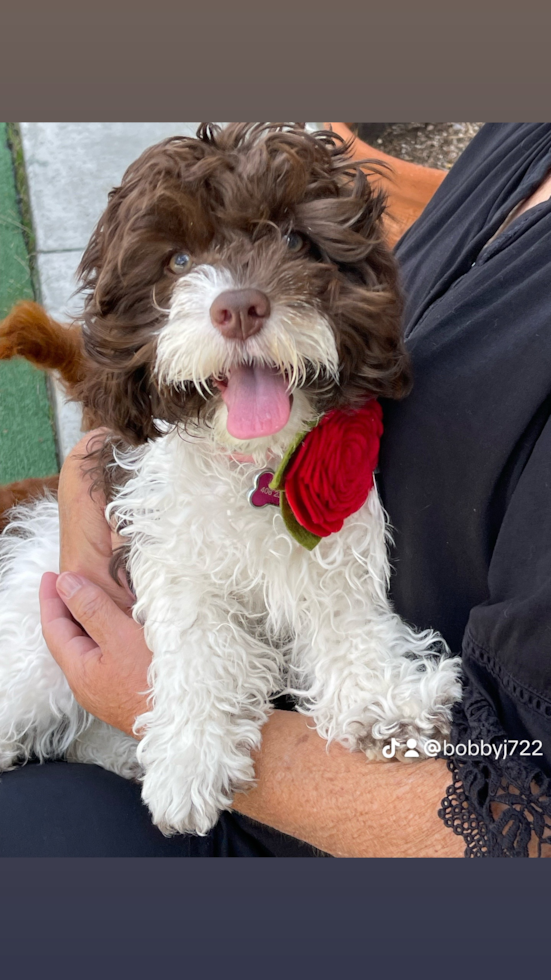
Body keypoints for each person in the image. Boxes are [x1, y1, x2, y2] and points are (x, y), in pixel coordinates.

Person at [2, 122, 551, 857]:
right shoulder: (525, 134)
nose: (236, 295)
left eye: (289, 246)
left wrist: (149, 702)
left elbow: (522, 818)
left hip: (331, 815)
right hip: (140, 652)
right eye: (183, 261)